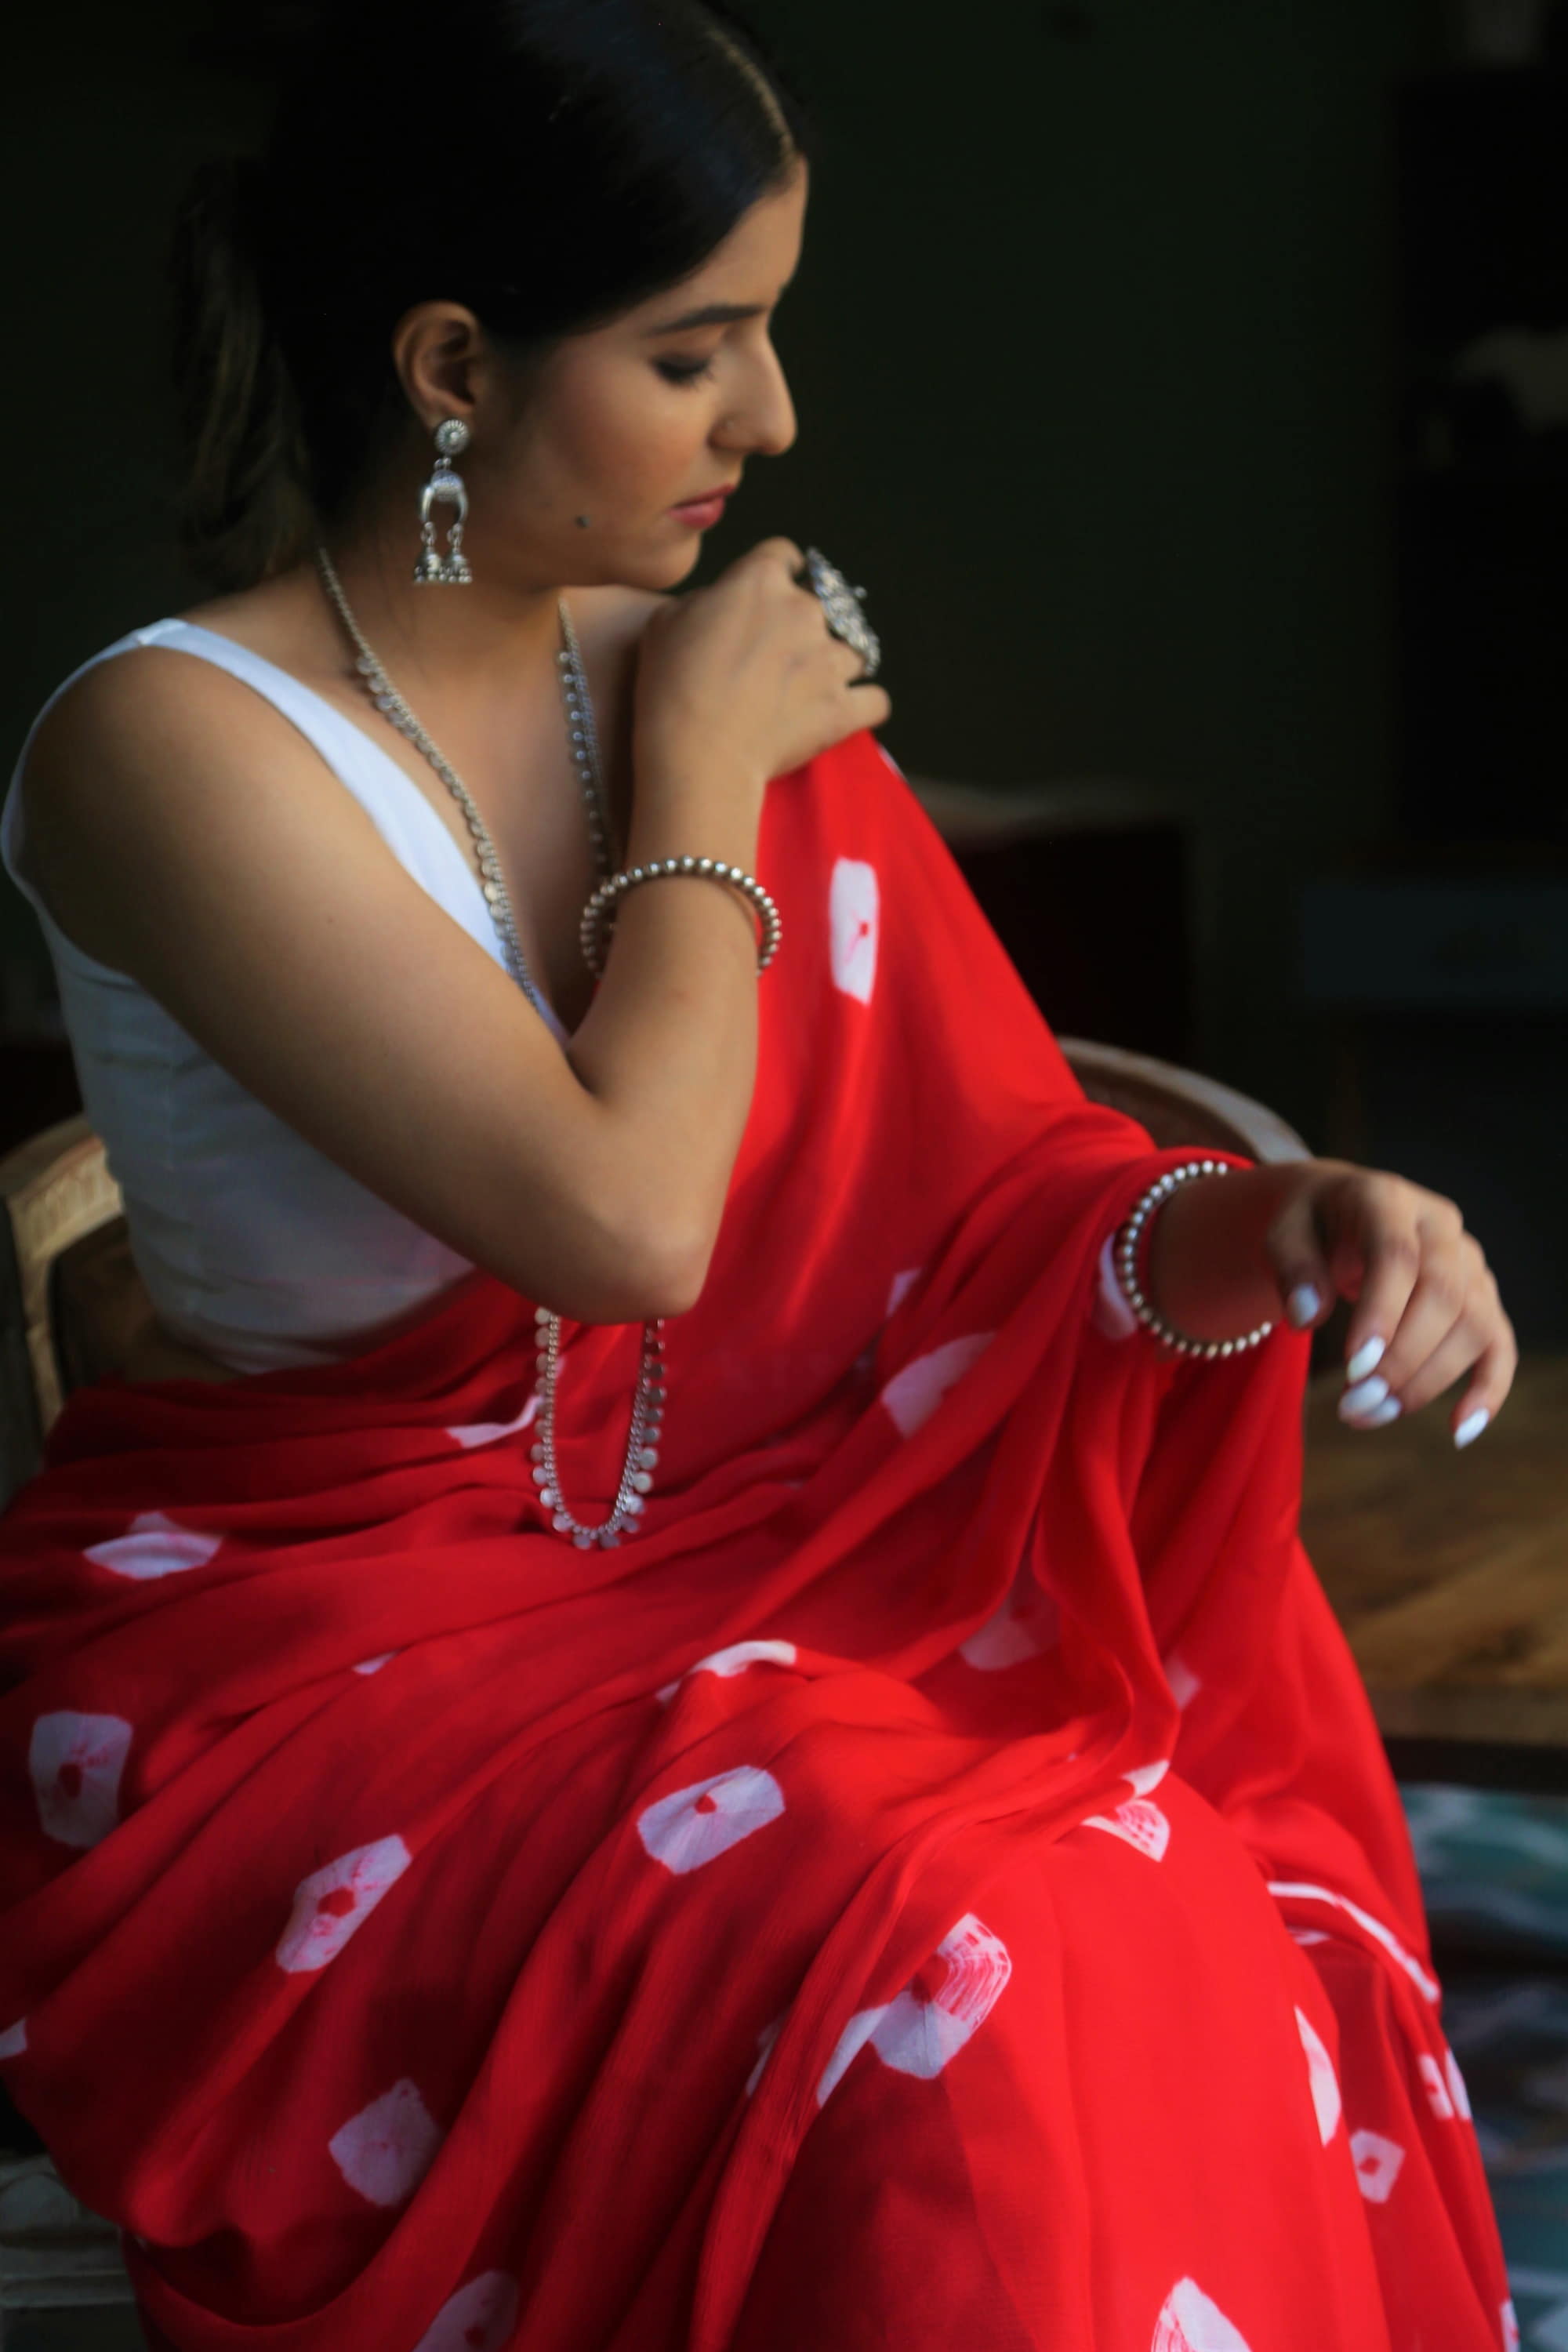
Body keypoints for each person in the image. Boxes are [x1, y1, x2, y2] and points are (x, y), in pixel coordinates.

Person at [0, 2, 1521, 2346]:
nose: (775, 418)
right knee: (967, 1928)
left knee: (1127, 1880)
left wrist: (1279, 1223)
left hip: (769, 1568)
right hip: (330, 1642)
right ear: (452, 365)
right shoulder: (174, 743)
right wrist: (704, 772)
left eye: (768, 335)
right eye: (695, 350)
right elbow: (621, 1229)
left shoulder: (676, 664)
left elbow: (983, 1207)